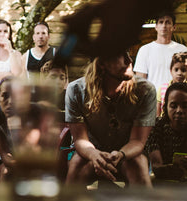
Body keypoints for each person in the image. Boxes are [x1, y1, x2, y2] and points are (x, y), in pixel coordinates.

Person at [65, 52, 156, 188]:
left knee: (138, 167)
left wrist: (121, 154)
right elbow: (80, 139)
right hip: (91, 150)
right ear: (102, 63)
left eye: (128, 54)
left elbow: (137, 141)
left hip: (128, 153)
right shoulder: (77, 90)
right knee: (76, 165)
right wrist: (94, 154)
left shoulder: (145, 90)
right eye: (120, 55)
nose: (129, 60)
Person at [133, 11, 187, 91]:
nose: (164, 26)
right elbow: (140, 82)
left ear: (174, 27)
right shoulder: (145, 50)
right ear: (156, 27)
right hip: (153, 99)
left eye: (168, 22)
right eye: (161, 22)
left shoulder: (183, 49)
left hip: (176, 98)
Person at [145, 82, 187, 181]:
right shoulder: (156, 127)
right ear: (166, 107)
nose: (179, 110)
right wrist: (175, 167)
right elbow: (157, 167)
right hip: (164, 184)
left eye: (185, 106)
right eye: (173, 106)